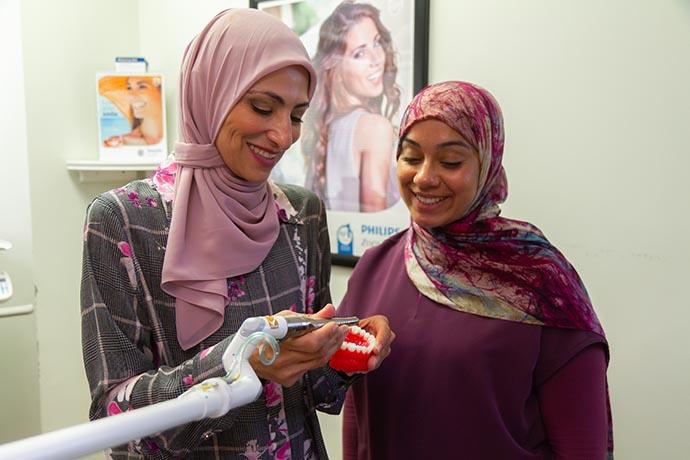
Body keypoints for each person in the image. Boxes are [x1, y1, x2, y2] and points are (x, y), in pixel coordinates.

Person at [80, 8, 393, 460]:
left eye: (297, 115)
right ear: (210, 93)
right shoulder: (123, 222)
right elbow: (115, 419)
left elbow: (316, 392)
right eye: (263, 107)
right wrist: (242, 361)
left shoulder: (300, 214)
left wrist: (348, 347)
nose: (283, 135)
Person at [336, 81, 613, 459]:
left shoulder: (539, 281)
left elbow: (582, 446)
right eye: (411, 157)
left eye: (450, 162)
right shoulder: (374, 269)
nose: (424, 178)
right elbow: (359, 410)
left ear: (488, 164)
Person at [302, 1, 401, 212]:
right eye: (359, 53)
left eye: (377, 43)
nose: (376, 59)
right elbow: (375, 233)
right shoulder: (375, 128)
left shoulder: (327, 127)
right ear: (335, 67)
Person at [99, 75, 165, 147]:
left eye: (142, 87)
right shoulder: (120, 143)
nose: (132, 95)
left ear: (161, 91)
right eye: (129, 88)